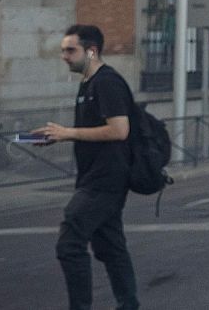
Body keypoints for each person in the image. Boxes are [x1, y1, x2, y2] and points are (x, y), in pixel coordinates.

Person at [32, 24, 140, 310]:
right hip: (94, 177)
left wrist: (68, 132)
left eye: (71, 50)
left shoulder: (107, 82)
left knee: (69, 244)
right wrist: (58, 136)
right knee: (110, 247)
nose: (64, 56)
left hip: (106, 179)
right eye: (63, 50)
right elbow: (93, 130)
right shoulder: (88, 83)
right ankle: (129, 304)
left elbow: (120, 130)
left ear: (91, 51)